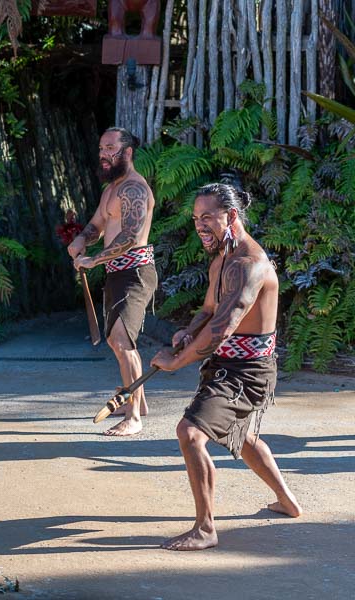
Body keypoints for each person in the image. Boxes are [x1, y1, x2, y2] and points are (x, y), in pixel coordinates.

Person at [151, 183, 302, 551]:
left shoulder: (250, 265)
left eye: (207, 218)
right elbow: (208, 311)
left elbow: (221, 329)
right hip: (229, 366)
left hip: (247, 371)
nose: (199, 226)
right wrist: (188, 331)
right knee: (242, 436)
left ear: (231, 216)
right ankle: (287, 502)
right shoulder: (222, 258)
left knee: (190, 433)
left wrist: (175, 362)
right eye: (195, 218)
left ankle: (205, 529)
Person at [68, 127, 157, 436]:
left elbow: (130, 235)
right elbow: (97, 225)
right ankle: (138, 401)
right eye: (101, 149)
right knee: (115, 340)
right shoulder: (111, 190)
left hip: (135, 273)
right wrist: (81, 240)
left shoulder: (134, 189)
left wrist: (94, 259)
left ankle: (133, 416)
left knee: (122, 341)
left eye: (110, 148)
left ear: (127, 152)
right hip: (116, 272)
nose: (103, 154)